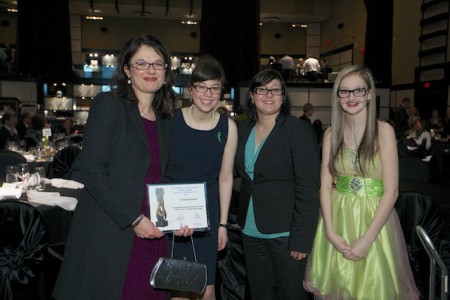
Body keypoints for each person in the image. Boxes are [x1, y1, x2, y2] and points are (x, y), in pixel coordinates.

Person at [53, 34, 189, 300]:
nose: (151, 70)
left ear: (166, 71)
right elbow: (89, 170)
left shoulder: (165, 118)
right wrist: (133, 218)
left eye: (158, 64)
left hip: (152, 229)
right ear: (127, 70)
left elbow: (163, 175)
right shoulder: (109, 105)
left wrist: (179, 216)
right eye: (141, 63)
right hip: (113, 228)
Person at [304, 65, 419, 299]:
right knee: (339, 288)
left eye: (358, 90)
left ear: (369, 94)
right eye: (344, 92)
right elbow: (325, 186)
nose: (351, 97)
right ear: (337, 97)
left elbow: (392, 191)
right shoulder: (330, 134)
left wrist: (367, 240)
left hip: (374, 222)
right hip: (338, 220)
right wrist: (329, 230)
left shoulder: (383, 131)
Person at [234, 68, 320, 300]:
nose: (268, 95)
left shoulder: (298, 131)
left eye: (275, 90)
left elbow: (308, 188)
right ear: (251, 95)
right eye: (262, 89)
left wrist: (302, 240)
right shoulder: (242, 130)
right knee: (260, 294)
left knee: (292, 295)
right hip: (250, 230)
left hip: (286, 234)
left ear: (283, 96)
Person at [169, 56, 237, 300]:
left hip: (207, 218)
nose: (208, 94)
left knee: (207, 290)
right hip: (173, 218)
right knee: (178, 287)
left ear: (221, 91)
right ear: (191, 89)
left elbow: (226, 177)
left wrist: (222, 225)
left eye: (215, 87)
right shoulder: (172, 121)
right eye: (202, 87)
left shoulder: (228, 126)